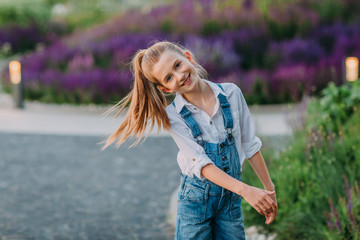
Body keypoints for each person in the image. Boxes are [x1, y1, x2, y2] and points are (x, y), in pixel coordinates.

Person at [101, 41, 277, 239]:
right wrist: (246, 190)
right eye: (169, 77)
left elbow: (250, 145)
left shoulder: (232, 94)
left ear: (188, 57)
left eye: (177, 65)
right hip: (195, 206)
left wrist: (269, 190)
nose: (179, 76)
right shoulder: (174, 116)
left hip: (229, 203)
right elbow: (202, 164)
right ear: (165, 89)